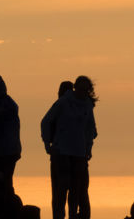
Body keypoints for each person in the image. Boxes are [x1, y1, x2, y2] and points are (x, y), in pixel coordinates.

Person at [40, 76, 97, 219]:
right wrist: (48, 145)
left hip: (79, 154)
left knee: (76, 190)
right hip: (61, 153)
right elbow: (46, 121)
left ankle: (72, 215)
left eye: (86, 89)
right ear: (75, 87)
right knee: (61, 189)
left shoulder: (87, 106)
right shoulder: (64, 102)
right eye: (80, 88)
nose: (83, 92)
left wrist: (88, 148)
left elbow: (90, 130)